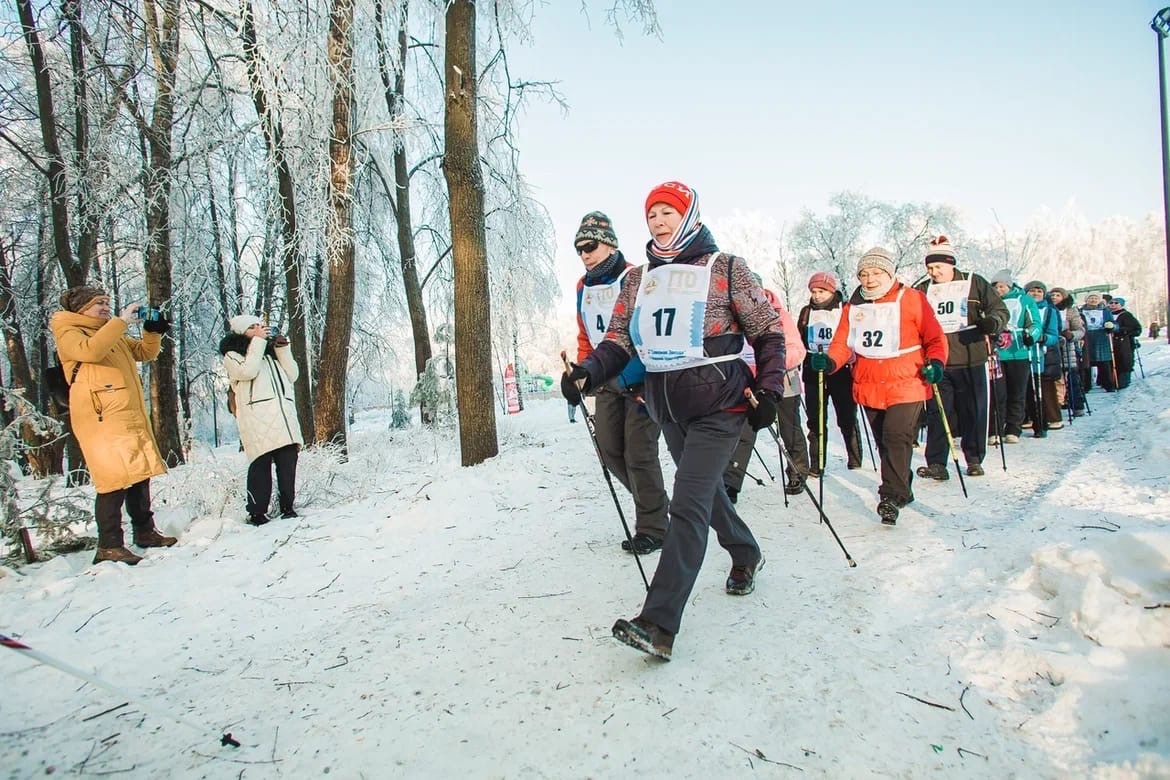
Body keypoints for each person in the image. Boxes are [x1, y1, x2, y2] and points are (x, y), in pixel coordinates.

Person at [561, 181, 784, 660]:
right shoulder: (639, 279)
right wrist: (586, 373)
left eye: (669, 212)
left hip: (720, 404)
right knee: (704, 494)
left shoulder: (726, 267)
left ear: (689, 217)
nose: (659, 222)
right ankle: (745, 552)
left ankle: (658, 623)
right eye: (652, 214)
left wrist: (769, 389)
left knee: (688, 501)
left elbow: (768, 330)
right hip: (667, 406)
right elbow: (618, 341)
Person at [815, 247, 948, 525]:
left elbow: (935, 338)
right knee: (884, 442)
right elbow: (842, 343)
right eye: (864, 274)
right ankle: (902, 486)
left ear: (889, 273)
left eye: (876, 273)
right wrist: (829, 362)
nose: (870, 279)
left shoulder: (912, 298)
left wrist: (936, 363)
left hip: (908, 380)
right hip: (869, 384)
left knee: (896, 436)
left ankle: (890, 496)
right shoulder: (853, 306)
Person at [50, 286, 176, 565]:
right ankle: (109, 545)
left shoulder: (109, 332)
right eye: (99, 303)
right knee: (112, 480)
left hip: (125, 413)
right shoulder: (69, 330)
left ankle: (145, 532)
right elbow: (90, 351)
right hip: (99, 417)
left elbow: (145, 352)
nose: (106, 307)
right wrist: (121, 321)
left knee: (138, 472)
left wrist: (152, 331)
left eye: (107, 302)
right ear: (81, 308)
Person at [571, 211, 669, 555]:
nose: (584, 254)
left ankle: (654, 527)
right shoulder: (583, 287)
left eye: (591, 246)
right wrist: (582, 375)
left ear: (610, 244)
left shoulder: (636, 277)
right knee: (610, 450)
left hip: (642, 379)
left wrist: (644, 373)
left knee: (639, 453)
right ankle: (656, 505)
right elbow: (586, 335)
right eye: (579, 249)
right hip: (605, 379)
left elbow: (653, 329)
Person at [912, 236, 1008, 479]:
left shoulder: (974, 282)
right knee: (938, 412)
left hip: (970, 357)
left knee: (973, 410)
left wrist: (992, 323)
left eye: (938, 267)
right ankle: (937, 463)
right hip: (938, 360)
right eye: (929, 268)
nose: (934, 272)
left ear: (951, 263)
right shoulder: (922, 289)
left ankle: (974, 459)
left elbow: (999, 309)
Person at [723, 277, 808, 500]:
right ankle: (731, 482)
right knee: (745, 431)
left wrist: (771, 363)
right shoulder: (732, 316)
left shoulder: (779, 314)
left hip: (782, 378)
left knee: (789, 428)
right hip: (748, 382)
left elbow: (796, 349)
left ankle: (798, 471)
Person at [220, 314, 303, 525]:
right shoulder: (232, 355)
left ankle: (288, 507)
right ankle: (256, 513)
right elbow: (248, 371)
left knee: (288, 462)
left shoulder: (270, 354)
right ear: (241, 331)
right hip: (257, 419)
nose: (259, 329)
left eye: (260, 326)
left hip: (283, 417)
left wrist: (283, 349)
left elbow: (292, 375)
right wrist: (258, 342)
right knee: (260, 465)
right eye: (252, 327)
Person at [797, 272, 863, 474]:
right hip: (813, 367)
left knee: (846, 415)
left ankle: (854, 457)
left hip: (839, 368)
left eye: (822, 291)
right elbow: (800, 338)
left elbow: (854, 337)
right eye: (814, 291)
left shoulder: (844, 309)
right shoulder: (806, 312)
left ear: (832, 291)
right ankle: (817, 463)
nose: (817, 296)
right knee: (815, 418)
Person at [989, 270, 1042, 443]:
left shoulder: (1024, 300)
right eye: (995, 287)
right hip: (997, 353)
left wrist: (1031, 335)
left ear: (1009, 286)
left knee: (1017, 392)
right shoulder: (990, 301)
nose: (999, 290)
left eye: (1002, 286)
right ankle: (995, 429)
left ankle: (1013, 429)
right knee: (997, 392)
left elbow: (1035, 323)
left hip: (1018, 351)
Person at [1022, 281, 1062, 435]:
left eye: (1039, 291)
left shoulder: (1050, 311)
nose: (1036, 294)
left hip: (1045, 352)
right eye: (1032, 291)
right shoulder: (1022, 307)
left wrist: (1043, 338)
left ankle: (1053, 417)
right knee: (1026, 385)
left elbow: (1054, 334)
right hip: (1025, 351)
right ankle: (1030, 417)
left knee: (1045, 386)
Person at [1048, 287, 1085, 418]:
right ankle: (1056, 405)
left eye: (1058, 295)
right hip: (1051, 346)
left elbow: (1080, 330)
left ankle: (1077, 406)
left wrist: (1071, 335)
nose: (1054, 297)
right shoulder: (1047, 309)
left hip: (1067, 347)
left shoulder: (1070, 311)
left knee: (1071, 377)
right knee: (1054, 378)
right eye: (1052, 295)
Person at [1079, 292, 1117, 392]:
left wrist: (1111, 326)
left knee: (1104, 362)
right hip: (1086, 337)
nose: (1093, 300)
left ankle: (1108, 384)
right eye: (1091, 298)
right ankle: (1086, 385)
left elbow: (1115, 324)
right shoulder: (1080, 311)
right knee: (1086, 362)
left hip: (1101, 337)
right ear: (1086, 300)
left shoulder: (1105, 311)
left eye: (1096, 298)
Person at [1107, 297, 1142, 389]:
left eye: (1116, 303)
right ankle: (1111, 381)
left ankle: (1123, 381)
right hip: (1110, 342)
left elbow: (1137, 329)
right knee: (1111, 361)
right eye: (1111, 303)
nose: (1113, 305)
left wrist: (1121, 330)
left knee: (1124, 361)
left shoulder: (1126, 315)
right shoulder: (1107, 314)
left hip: (1124, 343)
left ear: (1121, 305)